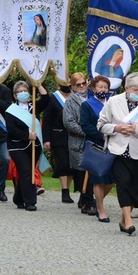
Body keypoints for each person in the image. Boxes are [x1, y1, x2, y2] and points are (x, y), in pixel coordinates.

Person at [98, 73, 138, 235]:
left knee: (134, 187)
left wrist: (136, 129)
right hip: (118, 152)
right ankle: (129, 221)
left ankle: (123, 220)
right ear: (126, 88)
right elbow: (101, 124)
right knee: (123, 184)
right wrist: (116, 128)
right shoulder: (113, 101)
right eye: (135, 90)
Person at [0, 81, 49, 211]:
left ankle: (18, 198)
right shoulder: (11, 110)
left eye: (25, 91)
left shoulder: (34, 107)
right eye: (19, 91)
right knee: (27, 171)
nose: (23, 93)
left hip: (34, 146)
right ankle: (30, 201)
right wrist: (26, 135)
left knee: (25, 172)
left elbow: (47, 99)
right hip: (17, 146)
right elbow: (12, 129)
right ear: (15, 95)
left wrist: (39, 83)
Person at [81, 75, 114, 222]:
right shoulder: (87, 105)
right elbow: (85, 125)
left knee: (113, 179)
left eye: (105, 87)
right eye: (100, 87)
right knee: (98, 179)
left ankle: (96, 202)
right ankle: (100, 210)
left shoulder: (112, 103)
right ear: (94, 88)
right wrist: (101, 135)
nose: (103, 90)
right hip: (96, 145)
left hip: (113, 145)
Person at [62, 73, 96, 214]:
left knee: (92, 171)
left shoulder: (94, 98)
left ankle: (85, 199)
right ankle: (88, 201)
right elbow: (68, 122)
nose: (82, 86)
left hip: (93, 141)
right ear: (73, 86)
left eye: (83, 83)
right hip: (78, 142)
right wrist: (86, 131)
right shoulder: (70, 101)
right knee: (82, 171)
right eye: (78, 84)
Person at [42, 82, 75, 203]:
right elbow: (47, 120)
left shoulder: (75, 97)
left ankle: (68, 190)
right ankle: (64, 190)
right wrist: (46, 139)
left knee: (71, 164)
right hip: (57, 135)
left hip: (73, 136)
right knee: (63, 162)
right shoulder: (53, 98)